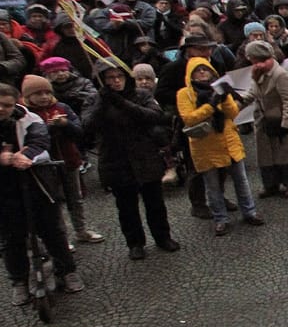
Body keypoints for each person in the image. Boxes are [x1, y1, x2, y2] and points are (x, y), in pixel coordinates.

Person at [84, 58, 179, 259]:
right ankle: (135, 243)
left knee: (155, 203)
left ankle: (163, 237)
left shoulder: (141, 95)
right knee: (126, 207)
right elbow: (88, 126)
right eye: (110, 78)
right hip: (116, 159)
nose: (116, 81)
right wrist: (103, 103)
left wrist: (122, 103)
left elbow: (155, 116)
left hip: (145, 156)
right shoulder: (95, 99)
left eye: (119, 76)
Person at [1, 82, 83, 304]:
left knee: (52, 231)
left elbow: (40, 140)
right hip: (6, 190)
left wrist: (26, 155)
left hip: (37, 184)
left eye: (7, 105)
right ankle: (19, 281)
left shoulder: (29, 118)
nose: (3, 109)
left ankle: (67, 271)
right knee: (12, 238)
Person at [176, 57, 265, 236]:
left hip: (228, 142)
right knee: (213, 186)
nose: (202, 73)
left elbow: (232, 112)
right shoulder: (184, 94)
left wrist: (223, 98)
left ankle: (249, 212)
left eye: (205, 69)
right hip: (205, 146)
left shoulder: (219, 87)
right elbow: (189, 118)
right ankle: (220, 219)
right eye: (197, 70)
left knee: (241, 180)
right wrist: (211, 105)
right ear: (190, 74)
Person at [20, 74, 103, 245]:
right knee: (54, 202)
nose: (43, 97)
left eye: (46, 92)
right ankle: (61, 237)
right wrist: (48, 128)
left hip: (69, 159)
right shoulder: (25, 114)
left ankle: (81, 230)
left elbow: (80, 132)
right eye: (38, 94)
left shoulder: (62, 107)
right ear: (28, 96)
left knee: (76, 198)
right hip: (43, 165)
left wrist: (66, 124)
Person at [240, 41, 288, 199]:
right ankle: (271, 184)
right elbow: (251, 93)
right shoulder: (258, 72)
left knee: (287, 154)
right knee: (267, 155)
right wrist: (234, 105)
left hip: (280, 119)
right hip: (264, 120)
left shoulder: (280, 74)